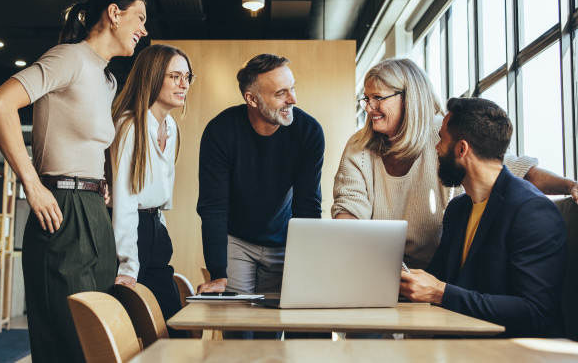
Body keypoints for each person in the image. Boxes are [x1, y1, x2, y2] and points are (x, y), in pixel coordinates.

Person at [0, 0, 148, 363]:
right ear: (113, 13)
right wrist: (32, 184)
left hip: (93, 211)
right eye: (139, 18)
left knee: (98, 341)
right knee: (69, 343)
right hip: (59, 208)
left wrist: (101, 181)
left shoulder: (108, 79)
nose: (143, 29)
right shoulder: (69, 58)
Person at [332, 58, 578, 269]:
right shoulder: (360, 146)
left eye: (377, 98)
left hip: (441, 269)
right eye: (366, 99)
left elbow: (512, 170)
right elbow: (349, 210)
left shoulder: (444, 134)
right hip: (378, 265)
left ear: (409, 98)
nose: (369, 108)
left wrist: (569, 186)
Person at [400, 97, 567, 338]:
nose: (436, 148)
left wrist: (440, 293)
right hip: (461, 345)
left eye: (441, 139)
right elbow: (437, 280)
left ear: (461, 149)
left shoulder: (533, 211)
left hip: (516, 353)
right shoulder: (458, 209)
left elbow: (535, 313)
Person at [196, 53, 325, 306]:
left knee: (272, 325)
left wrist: (308, 265)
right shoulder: (220, 131)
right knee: (237, 323)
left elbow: (308, 205)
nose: (293, 100)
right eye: (281, 93)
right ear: (251, 99)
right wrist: (218, 273)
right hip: (237, 240)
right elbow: (213, 207)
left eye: (293, 89)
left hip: (285, 239)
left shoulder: (309, 132)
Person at [109, 44, 193, 337]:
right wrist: (128, 265)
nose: (184, 84)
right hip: (131, 233)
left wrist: (161, 230)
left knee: (173, 327)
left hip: (156, 229)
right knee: (129, 331)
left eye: (187, 77)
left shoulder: (170, 127)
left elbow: (161, 195)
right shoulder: (129, 125)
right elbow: (124, 200)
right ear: (153, 77)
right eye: (175, 76)